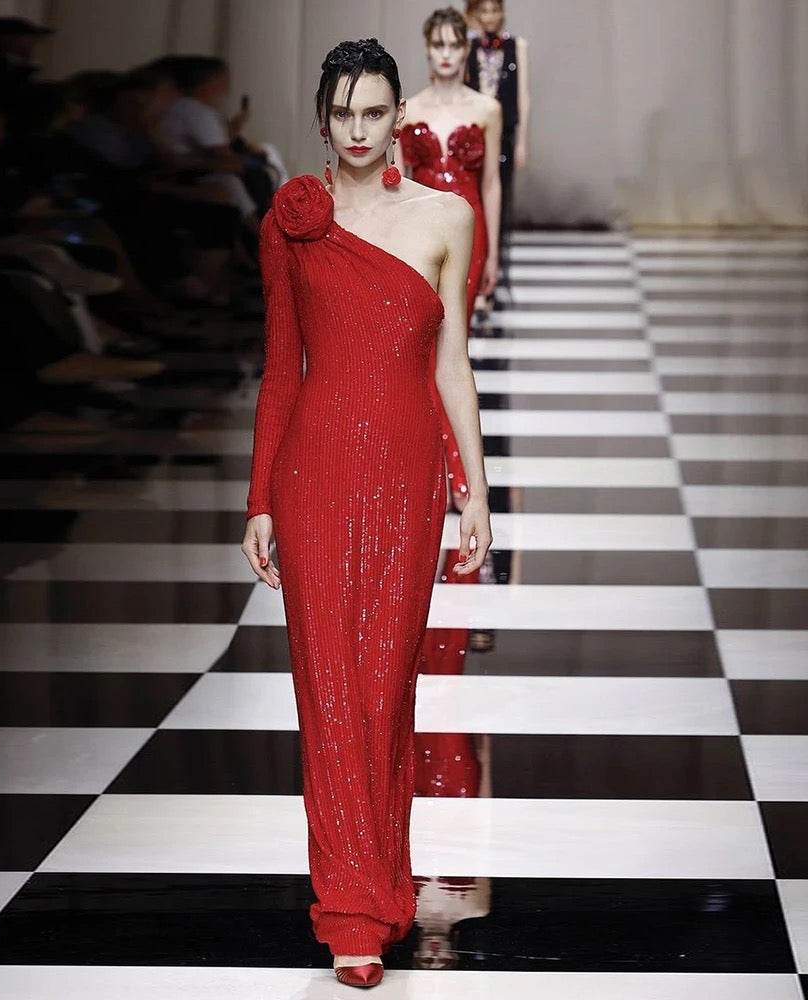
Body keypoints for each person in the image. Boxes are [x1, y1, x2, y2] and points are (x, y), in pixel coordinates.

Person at [240, 36, 492, 989]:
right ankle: (349, 910)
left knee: (386, 690)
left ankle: (387, 889)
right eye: (342, 113)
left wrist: (475, 487)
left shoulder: (445, 217)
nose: (357, 129)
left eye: (374, 111)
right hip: (311, 475)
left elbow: (451, 362)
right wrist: (259, 499)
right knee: (328, 692)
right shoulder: (292, 222)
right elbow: (279, 371)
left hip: (406, 476)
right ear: (322, 119)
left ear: (399, 117)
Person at [395, 6, 501, 528]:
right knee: (423, 351)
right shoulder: (406, 108)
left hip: (468, 231)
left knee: (452, 349)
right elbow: (395, 181)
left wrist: (494, 250)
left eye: (453, 45)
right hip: (417, 235)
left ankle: (456, 475)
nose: (445, 54)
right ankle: (438, 472)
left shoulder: (486, 108)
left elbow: (492, 183)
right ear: (426, 48)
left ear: (466, 49)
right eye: (437, 44)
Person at [464, 0, 529, 234]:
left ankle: (495, 251)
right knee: (472, 195)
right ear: (475, 13)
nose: (490, 16)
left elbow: (523, 96)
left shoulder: (516, 46)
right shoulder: (467, 46)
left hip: (504, 134)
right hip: (472, 132)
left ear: (502, 12)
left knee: (500, 195)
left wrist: (522, 142)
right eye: (484, 11)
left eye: (494, 10)